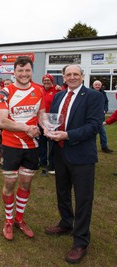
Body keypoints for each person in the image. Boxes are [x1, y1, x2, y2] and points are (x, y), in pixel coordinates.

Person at [44, 64, 104, 264]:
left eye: (75, 74)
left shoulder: (93, 97)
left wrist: (67, 135)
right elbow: (52, 119)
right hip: (60, 153)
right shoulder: (59, 96)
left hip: (82, 156)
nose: (72, 77)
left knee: (83, 199)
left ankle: (80, 241)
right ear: (63, 77)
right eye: (68, 74)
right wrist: (47, 129)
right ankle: (66, 223)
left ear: (82, 76)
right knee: (62, 193)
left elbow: (94, 126)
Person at [0, 56, 45, 241]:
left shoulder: (39, 91)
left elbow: (41, 117)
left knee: (25, 184)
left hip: (32, 146)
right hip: (11, 145)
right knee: (10, 184)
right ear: (14, 72)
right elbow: (2, 121)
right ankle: (8, 220)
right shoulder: (4, 92)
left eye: (27, 71)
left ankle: (19, 219)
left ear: (32, 71)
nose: (24, 74)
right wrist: (27, 128)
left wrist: (47, 127)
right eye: (20, 71)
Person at [38, 74, 60, 176]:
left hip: (52, 120)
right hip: (41, 119)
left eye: (48, 80)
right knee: (41, 142)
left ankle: (52, 164)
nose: (46, 82)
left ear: (52, 81)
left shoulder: (57, 90)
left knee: (51, 143)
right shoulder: (40, 89)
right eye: (44, 80)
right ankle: (42, 161)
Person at [92, 80, 113, 153]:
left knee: (102, 132)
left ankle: (104, 147)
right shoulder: (89, 93)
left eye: (99, 85)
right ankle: (91, 147)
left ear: (101, 86)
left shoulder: (103, 93)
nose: (97, 86)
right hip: (92, 116)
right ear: (93, 85)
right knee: (92, 133)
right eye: (96, 85)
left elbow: (106, 102)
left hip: (101, 117)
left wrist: (105, 109)